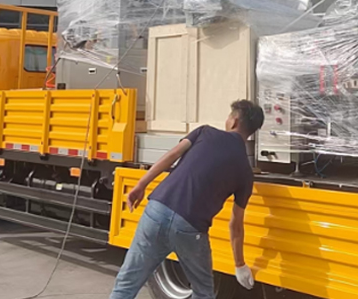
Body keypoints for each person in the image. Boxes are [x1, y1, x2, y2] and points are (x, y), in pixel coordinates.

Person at [109, 100, 265, 299]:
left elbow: (172, 155)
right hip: (190, 228)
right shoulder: (245, 171)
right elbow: (236, 225)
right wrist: (239, 264)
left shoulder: (205, 132)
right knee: (203, 293)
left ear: (234, 121)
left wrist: (141, 184)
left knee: (126, 283)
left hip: (157, 210)